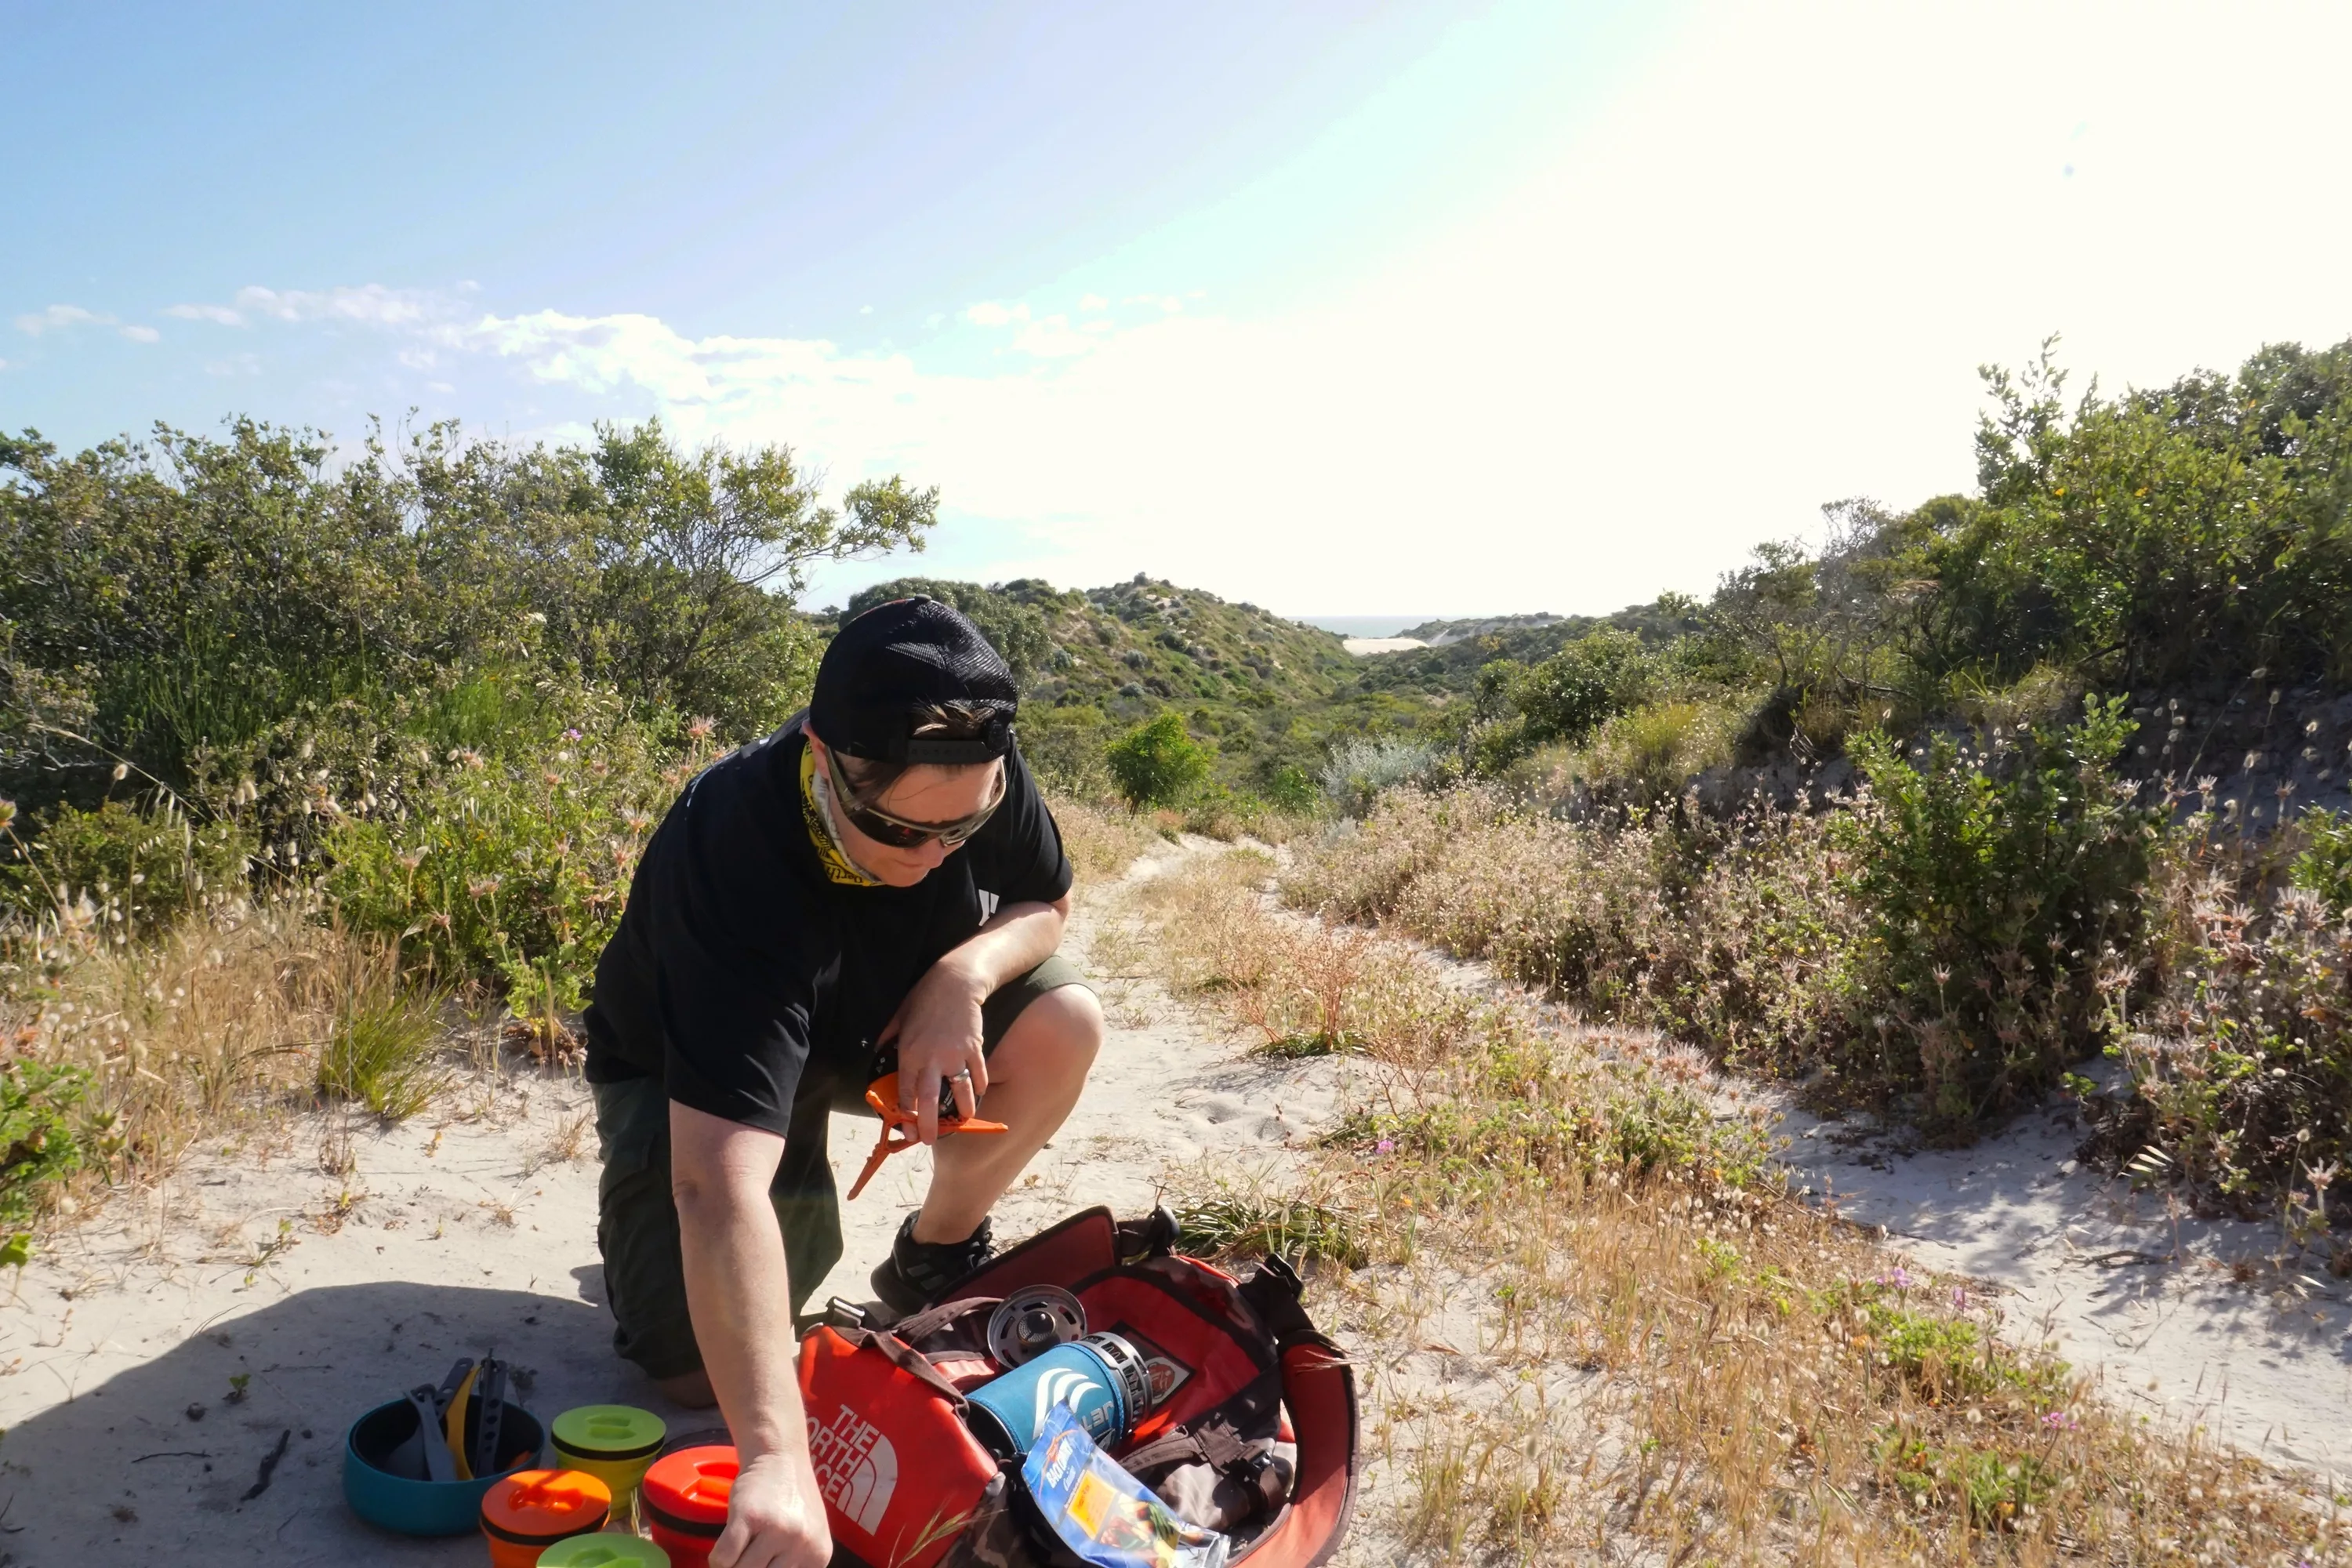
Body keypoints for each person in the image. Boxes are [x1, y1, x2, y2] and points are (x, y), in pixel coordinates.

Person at [581, 596, 1105, 1568]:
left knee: (1065, 1018)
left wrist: (963, 977)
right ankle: (642, 1231)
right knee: (695, 1374)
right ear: (825, 760)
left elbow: (1045, 898)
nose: (942, 854)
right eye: (906, 833)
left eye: (968, 825)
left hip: (886, 1013)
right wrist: (775, 1458)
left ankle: (933, 1252)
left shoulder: (972, 757)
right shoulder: (734, 859)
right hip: (688, 1060)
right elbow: (716, 1181)